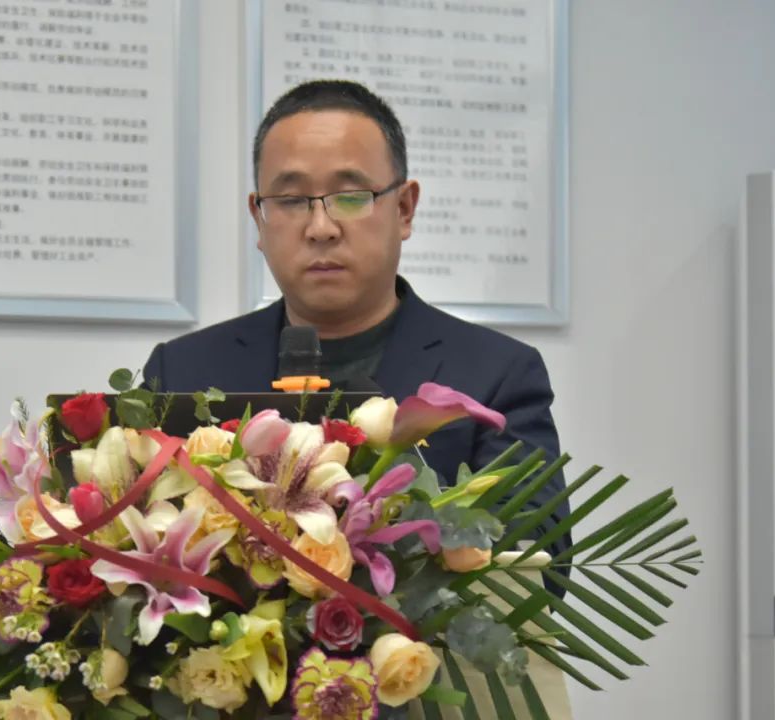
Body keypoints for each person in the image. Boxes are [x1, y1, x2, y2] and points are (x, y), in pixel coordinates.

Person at [142, 79, 569, 560]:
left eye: (350, 196)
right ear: (259, 218)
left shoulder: (496, 375)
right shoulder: (182, 371)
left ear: (404, 209)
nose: (321, 228)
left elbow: (536, 565)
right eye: (291, 200)